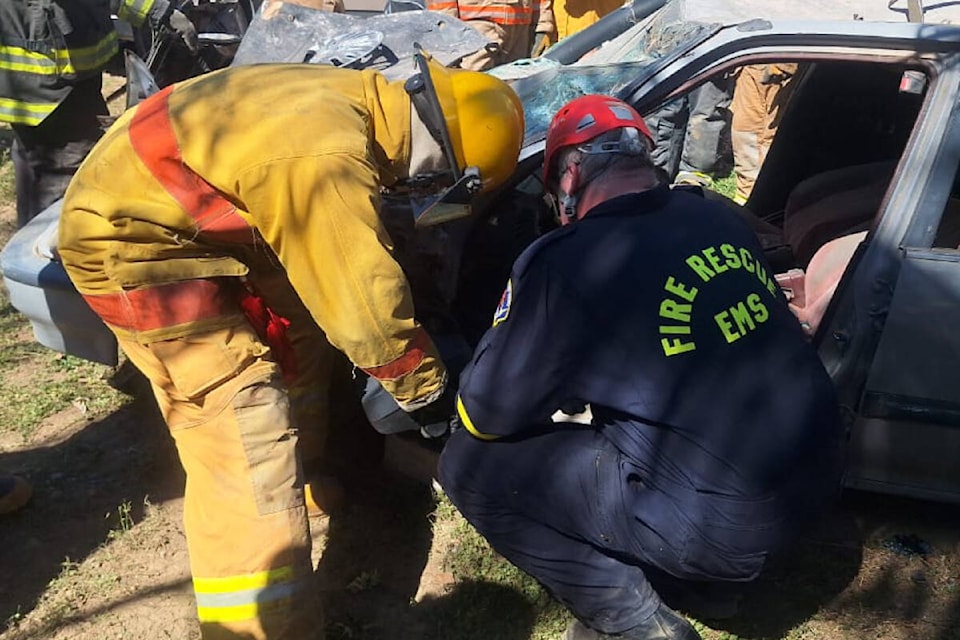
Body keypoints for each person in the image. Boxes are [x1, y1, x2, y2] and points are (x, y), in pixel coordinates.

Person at [57, 51, 524, 639]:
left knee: (299, 336)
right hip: (133, 243)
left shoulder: (360, 100)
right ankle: (259, 624)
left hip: (190, 209)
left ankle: (306, 484)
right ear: (448, 167)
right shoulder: (327, 158)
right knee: (242, 428)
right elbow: (365, 310)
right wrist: (425, 391)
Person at [438, 95, 843, 640]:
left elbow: (487, 414)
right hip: (819, 484)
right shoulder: (712, 213)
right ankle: (714, 588)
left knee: (468, 463)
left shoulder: (565, 261)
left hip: (727, 527)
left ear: (571, 171)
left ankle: (636, 621)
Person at [0, 0, 198, 229]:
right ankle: (50, 257)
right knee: (65, 189)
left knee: (47, 175)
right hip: (49, 81)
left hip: (65, 69)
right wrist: (157, 10)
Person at [730, 63, 798, 205]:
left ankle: (754, 196)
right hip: (757, 62)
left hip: (773, 66)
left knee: (756, 132)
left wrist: (783, 65)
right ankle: (748, 193)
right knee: (746, 128)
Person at [426, 0, 554, 70]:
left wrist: (542, 26)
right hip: (477, 28)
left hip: (521, 32)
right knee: (475, 92)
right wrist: (448, 34)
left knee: (516, 97)